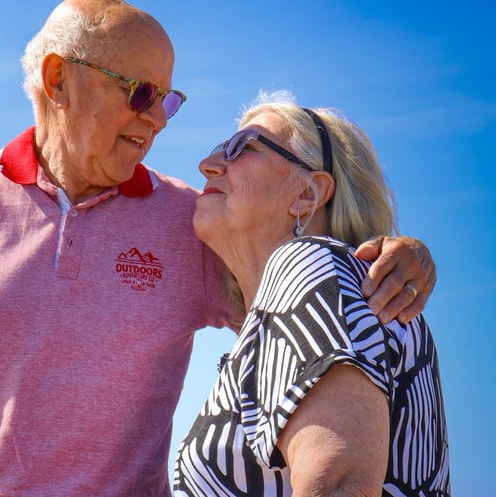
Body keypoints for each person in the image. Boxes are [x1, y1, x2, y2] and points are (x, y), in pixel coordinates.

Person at [0, 0, 437, 497]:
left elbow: (306, 315)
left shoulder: (193, 222)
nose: (158, 119)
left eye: (169, 100)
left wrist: (397, 254)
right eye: (139, 93)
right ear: (58, 81)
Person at [174, 91, 450, 496]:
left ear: (307, 194)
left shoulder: (311, 267)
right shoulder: (332, 291)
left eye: (240, 148)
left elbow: (341, 486)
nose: (209, 164)